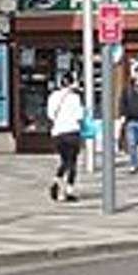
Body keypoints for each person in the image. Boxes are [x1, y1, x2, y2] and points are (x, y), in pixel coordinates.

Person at [46, 71, 85, 201]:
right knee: (72, 162)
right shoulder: (75, 98)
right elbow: (79, 116)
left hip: (58, 132)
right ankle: (68, 190)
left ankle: (57, 180)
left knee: (64, 160)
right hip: (72, 131)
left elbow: (50, 115)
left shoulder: (53, 96)